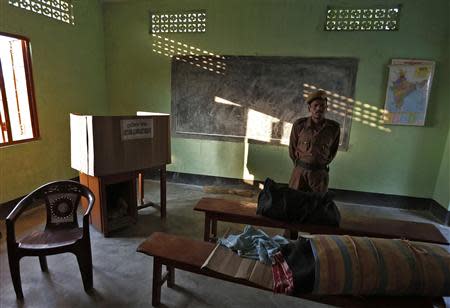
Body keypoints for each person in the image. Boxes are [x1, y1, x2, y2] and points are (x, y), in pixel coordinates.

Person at [288, 90, 340, 193]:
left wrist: (319, 165)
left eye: (322, 106)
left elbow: (333, 151)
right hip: (300, 173)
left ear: (326, 108)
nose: (318, 109)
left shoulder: (334, 128)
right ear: (309, 108)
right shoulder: (299, 125)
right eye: (315, 105)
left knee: (317, 205)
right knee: (295, 202)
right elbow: (292, 148)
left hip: (319, 174)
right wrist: (301, 166)